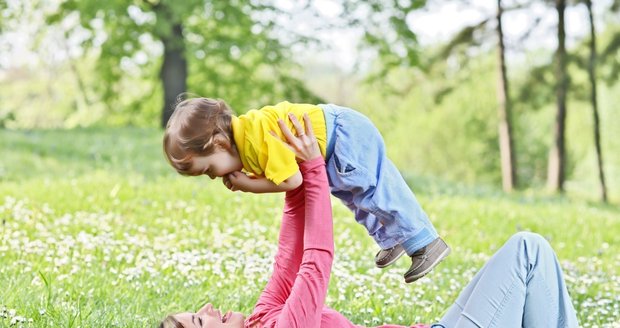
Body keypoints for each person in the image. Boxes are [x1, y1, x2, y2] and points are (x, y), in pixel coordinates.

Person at [159, 115, 579, 328]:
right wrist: (314, 171)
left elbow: (289, 255)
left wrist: (302, 164)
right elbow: (316, 260)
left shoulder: (261, 317)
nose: (208, 307)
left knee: (530, 255)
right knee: (527, 250)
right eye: (199, 319)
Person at [163, 97, 449, 283]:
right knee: (355, 198)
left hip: (344, 137)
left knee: (374, 193)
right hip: (336, 140)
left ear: (219, 143)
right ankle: (394, 238)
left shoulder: (255, 140)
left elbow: (291, 181)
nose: (214, 177)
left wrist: (248, 186)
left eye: (209, 169)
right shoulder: (247, 136)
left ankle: (425, 242)